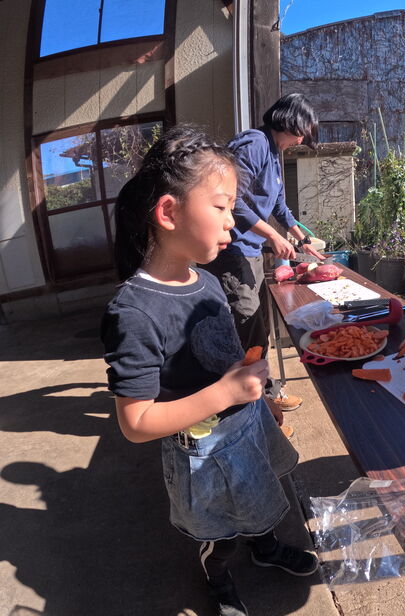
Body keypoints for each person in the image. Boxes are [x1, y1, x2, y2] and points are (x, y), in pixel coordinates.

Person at [101, 125, 318, 616]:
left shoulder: (207, 280)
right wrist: (225, 394)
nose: (231, 222)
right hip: (202, 451)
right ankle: (218, 576)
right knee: (222, 530)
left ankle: (265, 547)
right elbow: (136, 423)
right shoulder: (133, 312)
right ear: (169, 212)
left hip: (245, 426)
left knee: (261, 495)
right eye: (221, 207)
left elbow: (221, 357)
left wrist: (254, 390)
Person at [201, 93, 325, 421]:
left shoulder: (273, 153)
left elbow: (280, 206)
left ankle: (264, 394)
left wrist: (304, 239)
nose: (301, 140)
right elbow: (233, 199)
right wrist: (273, 235)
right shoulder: (254, 143)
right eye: (302, 132)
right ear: (290, 121)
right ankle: (250, 408)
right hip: (232, 252)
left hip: (252, 252)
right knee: (246, 324)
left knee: (259, 328)